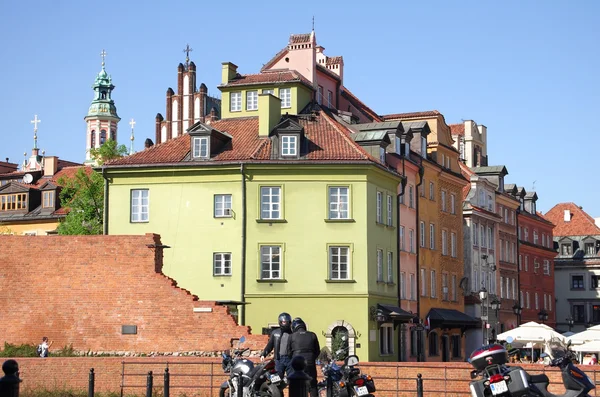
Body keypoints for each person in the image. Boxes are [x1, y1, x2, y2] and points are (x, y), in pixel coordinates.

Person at [290, 317, 320, 397]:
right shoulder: (312, 335)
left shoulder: (292, 336)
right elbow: (317, 351)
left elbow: (288, 352)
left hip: (297, 363)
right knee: (313, 385)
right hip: (310, 362)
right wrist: (312, 358)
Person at [261, 312, 293, 378]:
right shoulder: (275, 333)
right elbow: (270, 345)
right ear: (280, 322)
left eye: (286, 322)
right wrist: (263, 354)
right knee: (277, 378)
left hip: (290, 359)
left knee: (292, 379)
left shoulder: (293, 333)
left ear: (290, 322)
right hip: (279, 359)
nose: (285, 323)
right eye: (283, 322)